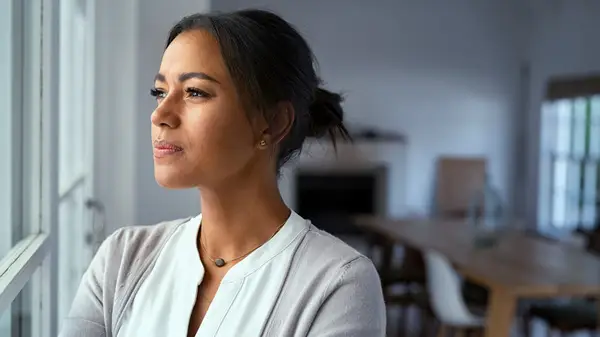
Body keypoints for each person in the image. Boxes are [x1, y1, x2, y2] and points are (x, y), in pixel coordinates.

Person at [59, 9, 386, 337]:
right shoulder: (121, 258)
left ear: (272, 123)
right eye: (160, 92)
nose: (160, 114)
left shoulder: (339, 285)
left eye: (195, 92)